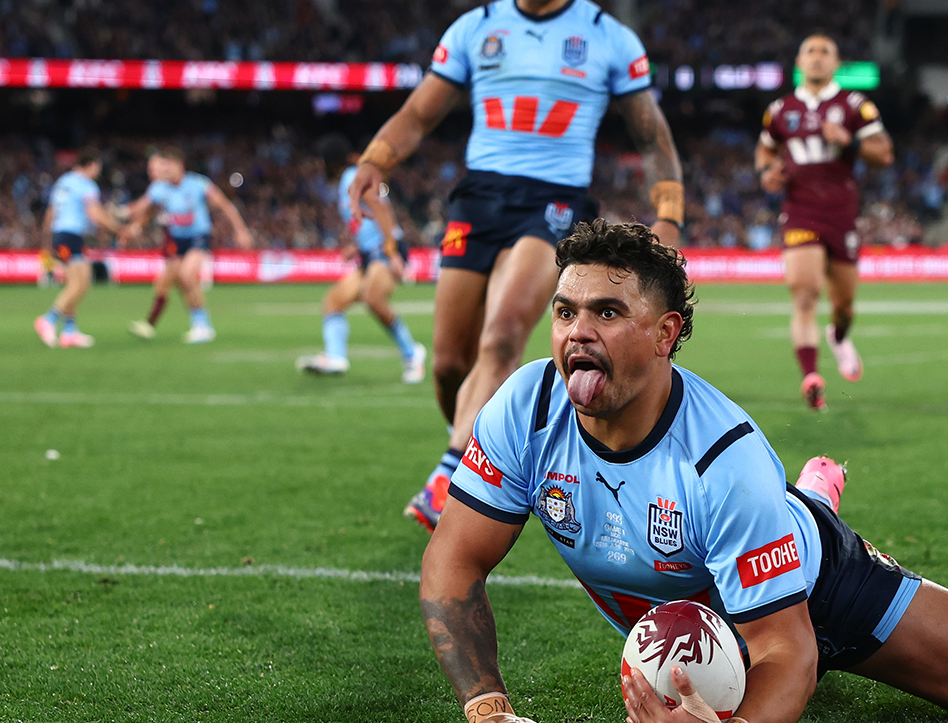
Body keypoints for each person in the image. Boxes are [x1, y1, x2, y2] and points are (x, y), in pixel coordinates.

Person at [420, 219, 948, 723]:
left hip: (821, 590)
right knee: (748, 587)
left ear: (666, 334)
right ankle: (801, 505)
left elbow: (788, 651)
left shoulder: (723, 459)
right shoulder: (526, 407)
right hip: (720, 614)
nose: (576, 332)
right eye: (565, 311)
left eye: (606, 311)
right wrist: (487, 707)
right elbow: (452, 562)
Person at [344, 0, 684, 531]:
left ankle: (450, 475)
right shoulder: (475, 27)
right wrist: (373, 161)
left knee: (503, 335)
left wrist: (670, 213)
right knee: (449, 364)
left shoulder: (607, 36)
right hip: (478, 199)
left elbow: (651, 134)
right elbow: (419, 114)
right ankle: (477, 450)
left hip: (555, 201)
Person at [755, 34, 894, 412]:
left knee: (844, 305)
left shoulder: (854, 105)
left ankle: (839, 334)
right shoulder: (780, 109)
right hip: (800, 210)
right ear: (799, 61)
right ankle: (811, 376)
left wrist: (850, 141)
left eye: (825, 52)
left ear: (836, 63)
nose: (817, 58)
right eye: (810, 52)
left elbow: (884, 153)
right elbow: (765, 148)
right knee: (804, 292)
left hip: (841, 213)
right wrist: (767, 171)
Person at [295, 135, 427, 382]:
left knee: (372, 297)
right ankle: (336, 357)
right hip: (370, 253)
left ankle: (412, 353)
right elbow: (367, 219)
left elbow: (381, 210)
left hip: (384, 250)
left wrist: (392, 251)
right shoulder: (348, 180)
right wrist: (356, 246)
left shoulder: (352, 178)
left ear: (330, 161)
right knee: (333, 302)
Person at [122, 147, 254, 344]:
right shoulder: (159, 188)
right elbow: (144, 208)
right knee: (175, 283)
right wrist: (127, 219)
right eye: (163, 166)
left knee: (186, 275)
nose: (164, 170)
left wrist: (240, 230)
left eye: (167, 166)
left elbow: (225, 205)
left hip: (198, 237)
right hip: (177, 241)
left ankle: (203, 326)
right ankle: (198, 325)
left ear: (179, 166)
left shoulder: (198, 183)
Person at [33, 149, 127, 348]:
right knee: (79, 284)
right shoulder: (86, 185)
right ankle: (48, 320)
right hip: (71, 236)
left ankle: (69, 331)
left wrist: (47, 241)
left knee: (77, 283)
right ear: (92, 165)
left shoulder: (62, 182)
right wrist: (119, 229)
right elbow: (95, 215)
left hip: (61, 235)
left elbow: (51, 212)